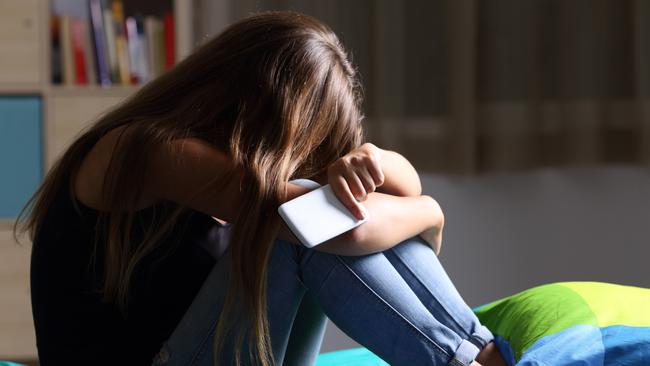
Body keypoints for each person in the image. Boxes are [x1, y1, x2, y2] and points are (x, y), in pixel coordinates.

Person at [16, 11, 507, 366]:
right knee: (300, 229)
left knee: (317, 215)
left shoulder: (231, 165)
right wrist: (432, 211)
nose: (299, 160)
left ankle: (477, 352)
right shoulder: (148, 150)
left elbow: (394, 194)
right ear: (256, 106)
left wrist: (375, 160)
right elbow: (337, 233)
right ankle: (472, 358)